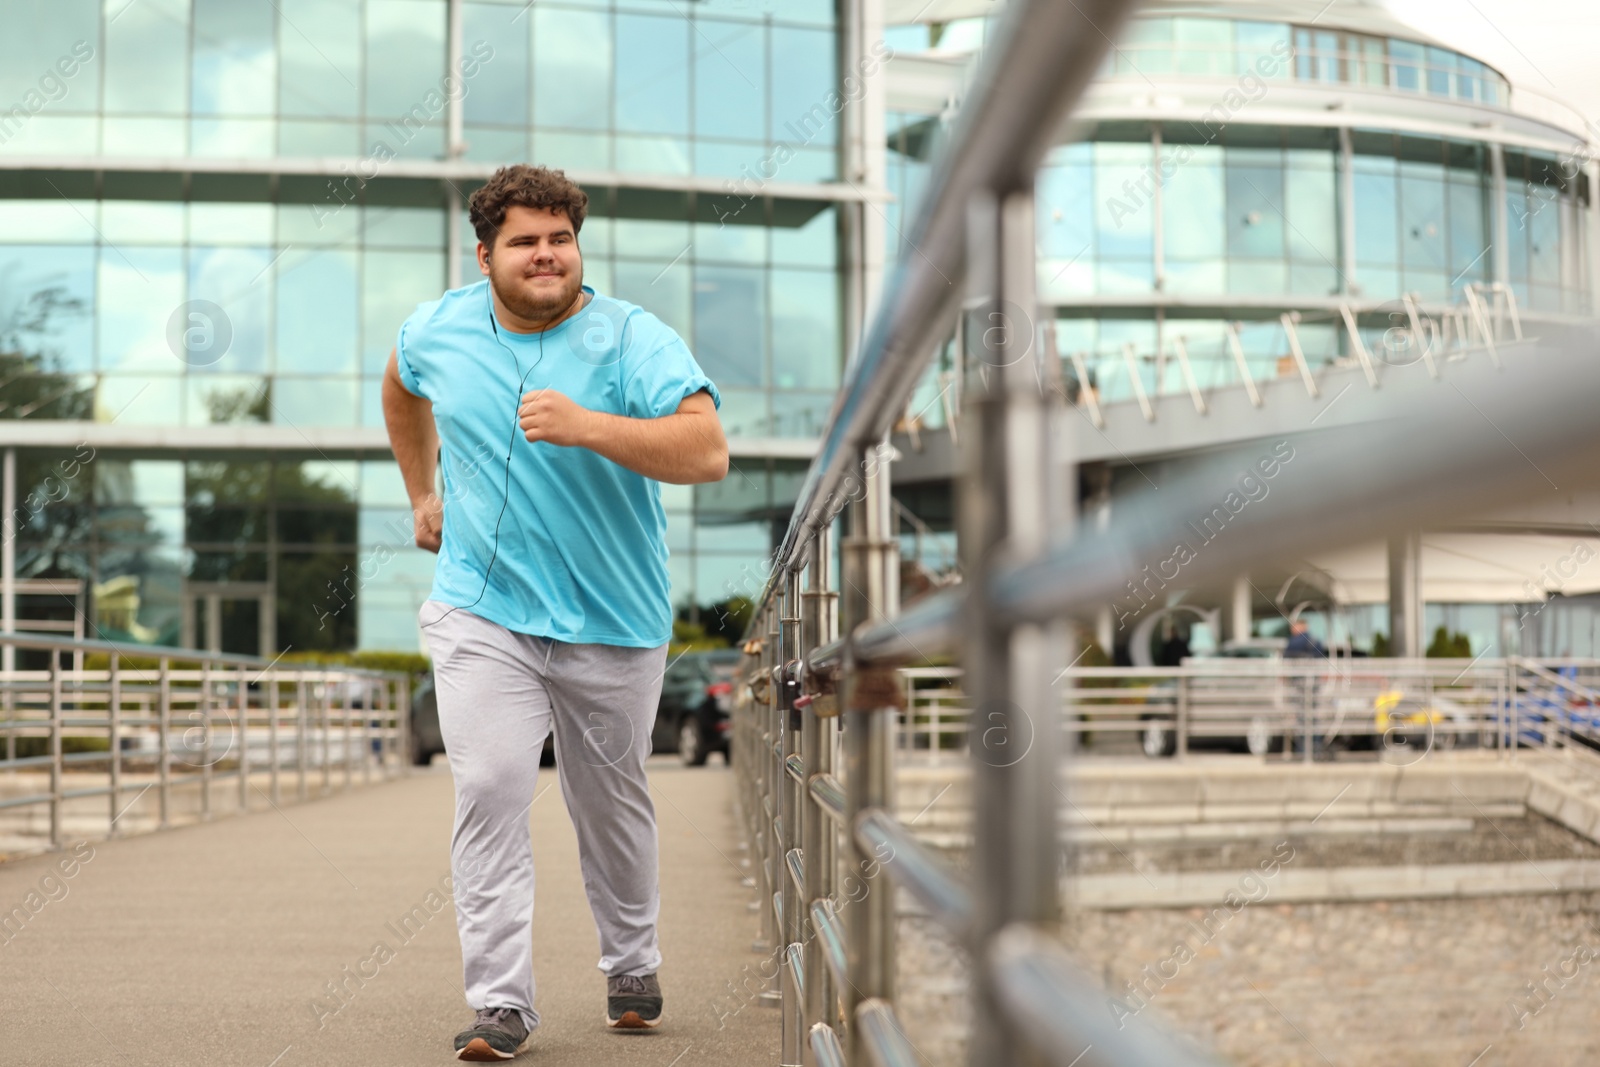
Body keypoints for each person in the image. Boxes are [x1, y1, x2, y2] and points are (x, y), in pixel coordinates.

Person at [382, 164, 728, 1061]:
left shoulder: (630, 338)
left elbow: (707, 450)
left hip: (613, 617)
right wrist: (423, 491)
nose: (547, 255)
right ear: (485, 253)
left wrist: (588, 425)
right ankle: (500, 1002)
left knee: (607, 799)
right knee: (492, 784)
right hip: (480, 610)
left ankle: (632, 961)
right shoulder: (439, 326)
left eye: (561, 238)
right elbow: (400, 382)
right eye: (526, 241)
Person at [1283, 619, 1328, 759]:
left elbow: (1286, 657)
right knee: (1313, 717)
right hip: (1314, 685)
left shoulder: (1295, 642)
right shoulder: (1316, 642)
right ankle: (1316, 748)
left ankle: (1303, 751)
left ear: (1300, 627)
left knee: (1302, 718)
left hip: (1300, 686)